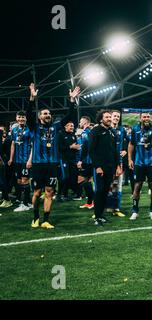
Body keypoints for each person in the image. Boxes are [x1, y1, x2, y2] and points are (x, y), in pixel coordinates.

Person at [26, 83, 80, 229]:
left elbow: (69, 115)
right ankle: (35, 217)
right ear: (39, 117)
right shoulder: (34, 127)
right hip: (38, 164)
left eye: (49, 113)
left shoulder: (56, 127)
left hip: (52, 164)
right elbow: (28, 114)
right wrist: (32, 98)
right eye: (44, 113)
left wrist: (72, 101)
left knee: (49, 192)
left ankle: (46, 220)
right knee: (37, 192)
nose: (48, 115)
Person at [128, 112, 152, 221]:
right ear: (140, 119)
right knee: (137, 186)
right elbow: (131, 144)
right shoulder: (135, 129)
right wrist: (130, 159)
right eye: (144, 117)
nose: (146, 119)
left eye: (148, 117)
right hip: (139, 162)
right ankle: (135, 211)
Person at [89, 110, 120, 226]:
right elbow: (91, 151)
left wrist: (118, 165)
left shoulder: (112, 132)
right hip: (100, 168)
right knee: (99, 191)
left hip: (110, 167)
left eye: (109, 117)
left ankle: (101, 215)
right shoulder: (95, 131)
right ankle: (97, 217)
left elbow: (115, 151)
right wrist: (97, 166)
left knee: (105, 191)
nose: (109, 119)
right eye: (107, 117)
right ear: (101, 119)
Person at [105, 110, 128, 217]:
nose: (116, 118)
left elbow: (130, 141)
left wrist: (125, 150)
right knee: (106, 186)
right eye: (114, 116)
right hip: (106, 163)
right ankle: (105, 207)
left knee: (117, 186)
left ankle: (116, 208)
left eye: (118, 116)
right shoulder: (105, 129)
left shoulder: (122, 129)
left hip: (118, 163)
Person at [8, 112, 32, 212]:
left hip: (26, 159)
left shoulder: (30, 129)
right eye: (19, 117)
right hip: (17, 160)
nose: (21, 119)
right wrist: (11, 158)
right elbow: (13, 145)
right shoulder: (14, 130)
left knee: (24, 180)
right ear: (16, 118)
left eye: (23, 117)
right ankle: (28, 201)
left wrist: (30, 160)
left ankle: (25, 204)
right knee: (18, 181)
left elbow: (33, 145)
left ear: (26, 118)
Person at [58, 121, 81, 201]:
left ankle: (67, 193)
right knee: (65, 177)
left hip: (72, 159)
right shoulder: (60, 134)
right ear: (65, 126)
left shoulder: (73, 135)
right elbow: (59, 148)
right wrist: (70, 147)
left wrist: (77, 147)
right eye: (70, 126)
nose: (72, 127)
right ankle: (60, 194)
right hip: (63, 159)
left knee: (72, 177)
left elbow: (74, 147)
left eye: (73, 126)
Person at [77, 116, 95, 210]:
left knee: (81, 180)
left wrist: (80, 160)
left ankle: (93, 200)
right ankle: (90, 202)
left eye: (80, 121)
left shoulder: (85, 133)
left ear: (85, 122)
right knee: (88, 180)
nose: (79, 123)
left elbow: (85, 147)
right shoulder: (91, 132)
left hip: (87, 161)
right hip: (92, 160)